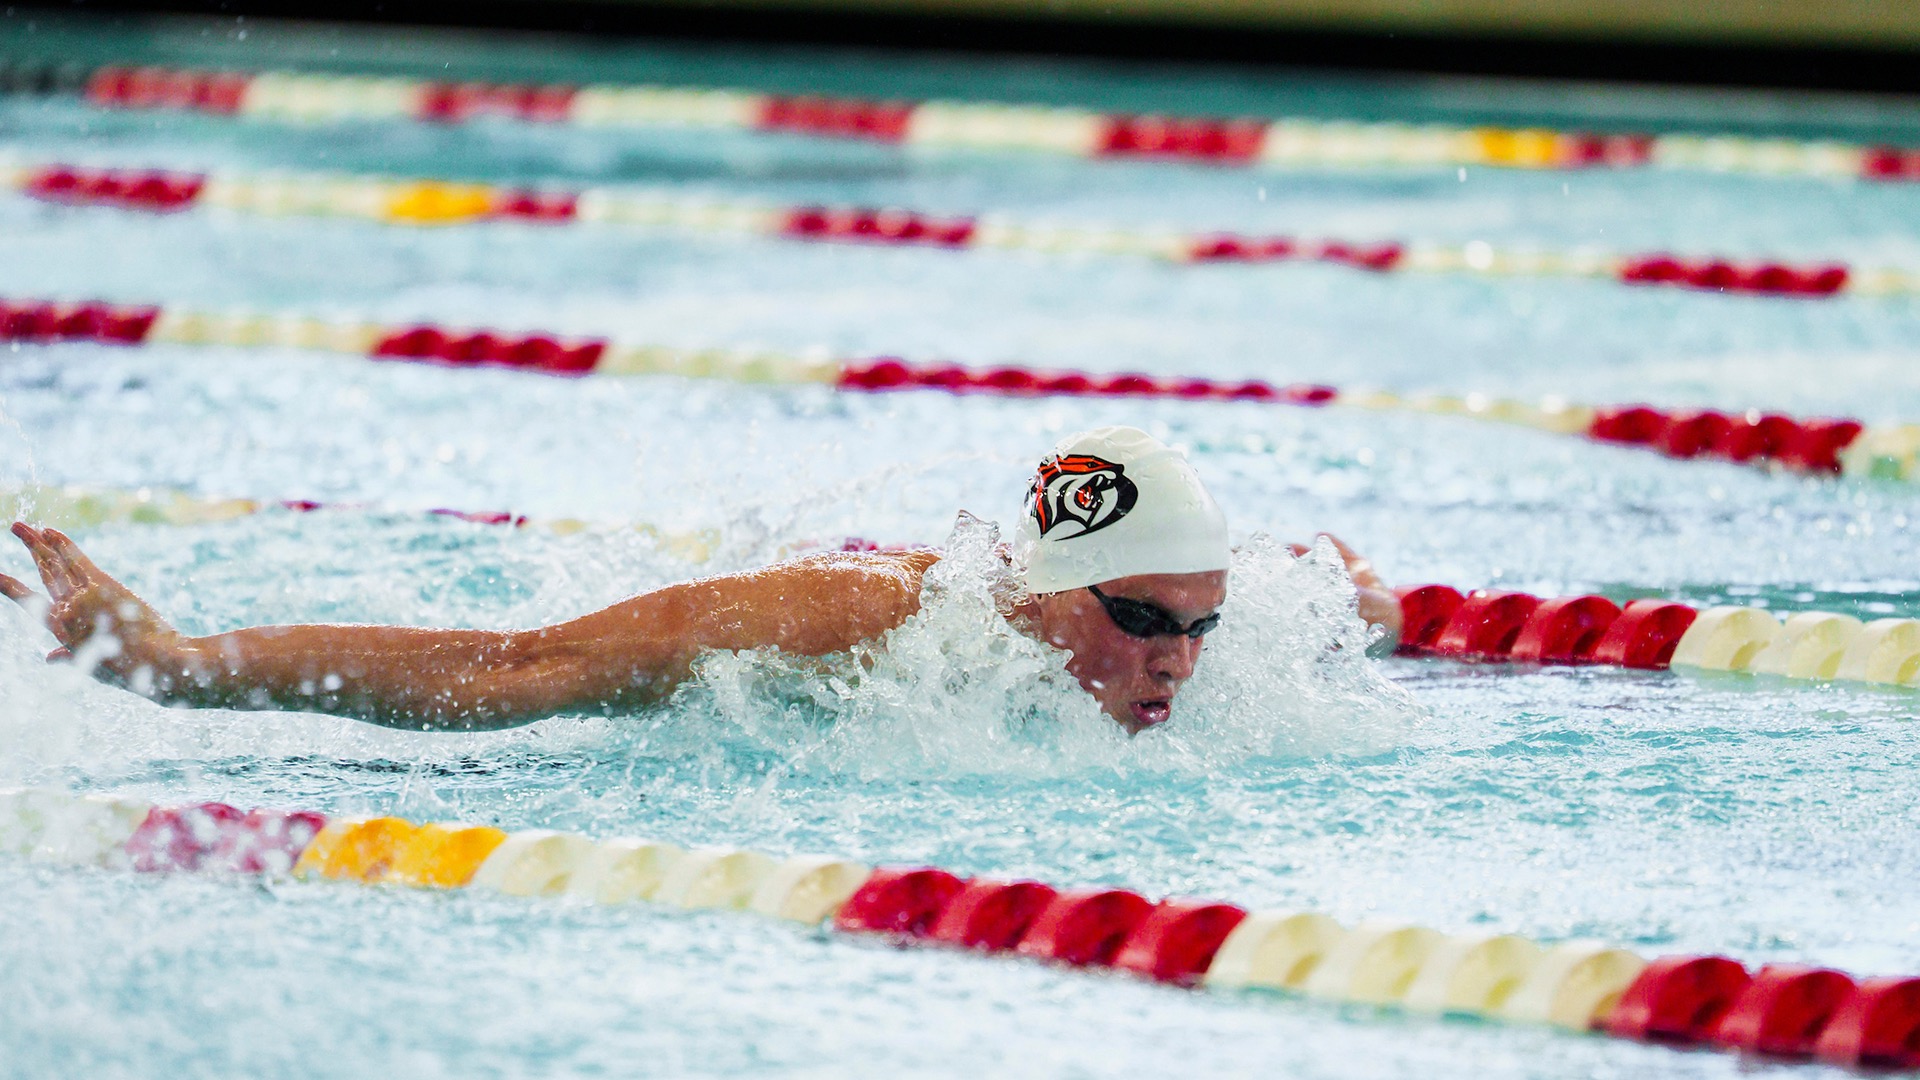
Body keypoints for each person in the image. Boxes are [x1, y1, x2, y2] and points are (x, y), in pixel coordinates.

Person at [1, 427, 1400, 735]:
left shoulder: (1221, 621)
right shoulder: (864, 623)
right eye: (1145, 622)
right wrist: (183, 664)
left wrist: (1372, 603)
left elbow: (1336, 591)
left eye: (1202, 626)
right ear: (1042, 594)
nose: (1181, 661)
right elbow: (516, 670)